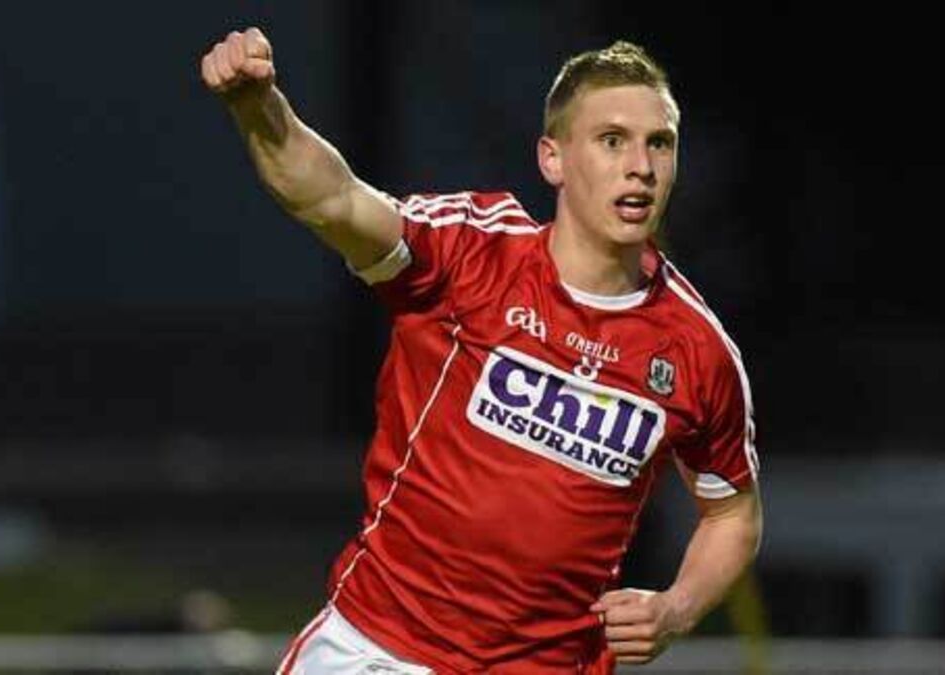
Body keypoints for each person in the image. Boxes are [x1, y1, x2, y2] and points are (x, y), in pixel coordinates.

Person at [201, 27, 763, 674]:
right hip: (381, 649)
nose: (641, 165)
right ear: (553, 159)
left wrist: (676, 608)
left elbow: (733, 513)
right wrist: (257, 106)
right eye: (612, 140)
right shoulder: (474, 256)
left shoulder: (696, 349)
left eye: (659, 143)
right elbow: (334, 199)